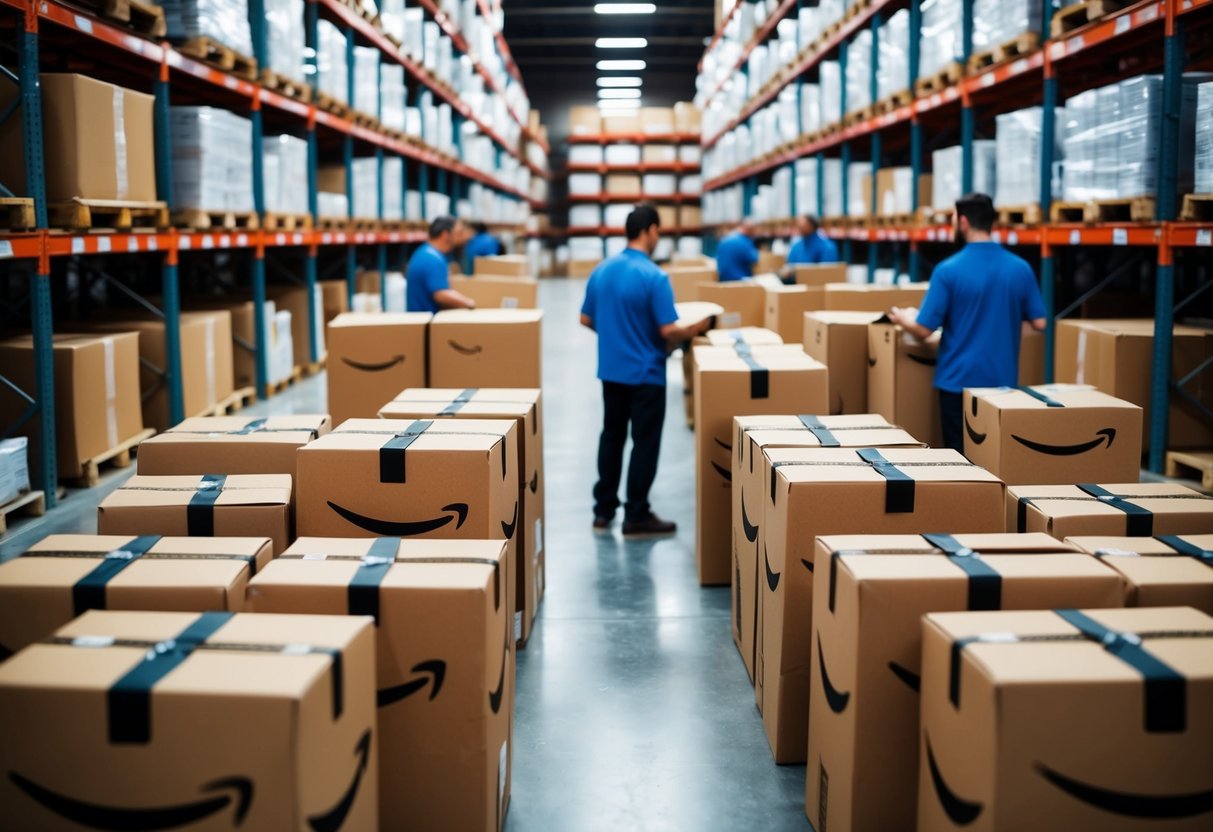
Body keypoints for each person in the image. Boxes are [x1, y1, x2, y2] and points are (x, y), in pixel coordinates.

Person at [580, 204, 710, 536]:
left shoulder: (602, 270)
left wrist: (616, 336)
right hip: (646, 374)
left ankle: (603, 510)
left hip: (611, 371)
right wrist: (696, 328)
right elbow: (667, 330)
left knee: (611, 437)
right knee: (644, 442)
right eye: (659, 231)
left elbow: (586, 318)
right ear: (650, 230)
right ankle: (636, 514)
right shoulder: (654, 275)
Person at [888, 193, 1047, 453]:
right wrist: (1000, 329)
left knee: (961, 462)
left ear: (963, 222)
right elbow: (1039, 323)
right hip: (1002, 385)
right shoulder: (1020, 268)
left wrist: (905, 319)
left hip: (956, 384)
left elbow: (924, 329)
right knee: (996, 458)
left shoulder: (948, 270)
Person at [406, 216, 476, 313]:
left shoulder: (425, 251)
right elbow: (441, 294)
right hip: (428, 322)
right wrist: (470, 303)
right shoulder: (433, 259)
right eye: (459, 233)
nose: (463, 237)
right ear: (446, 234)